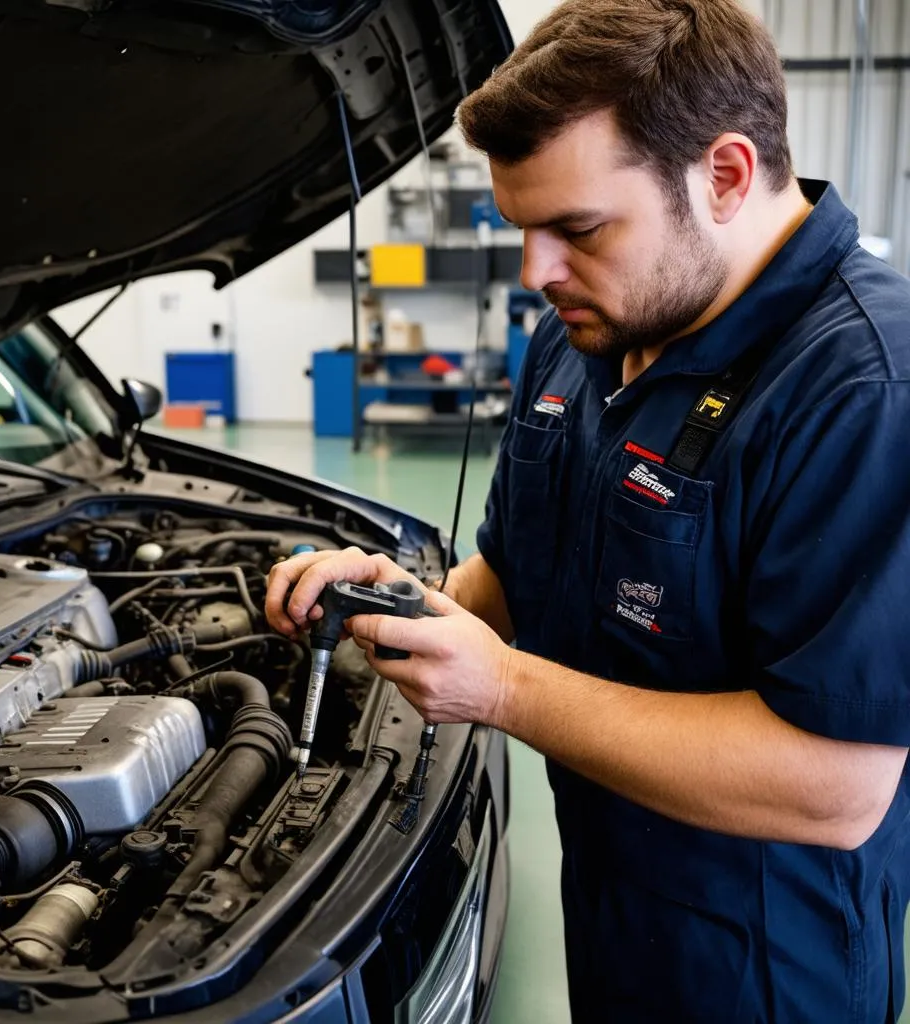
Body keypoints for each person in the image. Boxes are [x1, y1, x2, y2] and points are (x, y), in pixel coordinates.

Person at [266, 1, 910, 1019]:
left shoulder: (863, 389)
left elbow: (833, 787)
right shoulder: (582, 334)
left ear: (726, 176)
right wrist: (411, 604)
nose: (536, 274)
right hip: (608, 909)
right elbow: (513, 583)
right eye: (523, 230)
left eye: (576, 229)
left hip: (765, 966)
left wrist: (506, 692)